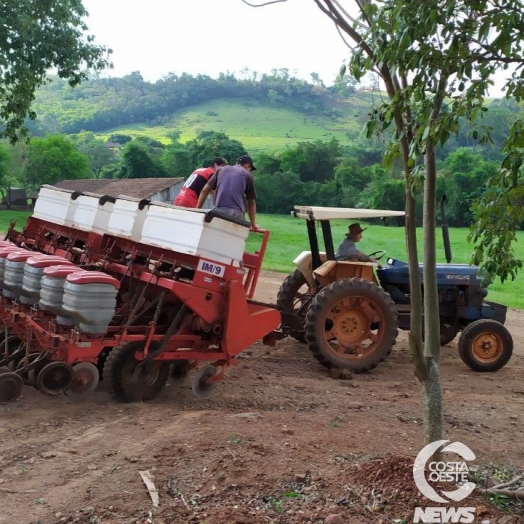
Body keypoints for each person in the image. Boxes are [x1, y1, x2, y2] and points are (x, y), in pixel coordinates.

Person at [196, 154, 259, 229]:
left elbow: (205, 190)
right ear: (247, 166)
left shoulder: (221, 170)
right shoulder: (248, 175)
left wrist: (198, 210)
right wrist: (253, 225)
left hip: (218, 211)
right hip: (236, 213)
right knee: (234, 239)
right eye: (250, 168)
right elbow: (251, 202)